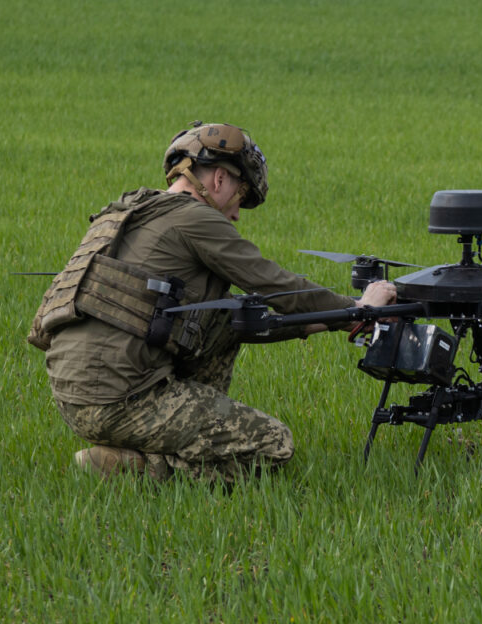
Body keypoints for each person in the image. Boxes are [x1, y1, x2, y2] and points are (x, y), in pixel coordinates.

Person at [27, 121, 396, 484]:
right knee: (273, 444)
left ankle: (167, 439)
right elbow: (274, 282)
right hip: (122, 402)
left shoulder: (128, 212)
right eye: (240, 197)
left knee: (222, 323)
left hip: (74, 398)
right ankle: (137, 466)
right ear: (219, 179)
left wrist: (324, 320)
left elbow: (229, 318)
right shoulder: (195, 219)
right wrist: (361, 311)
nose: (236, 214)